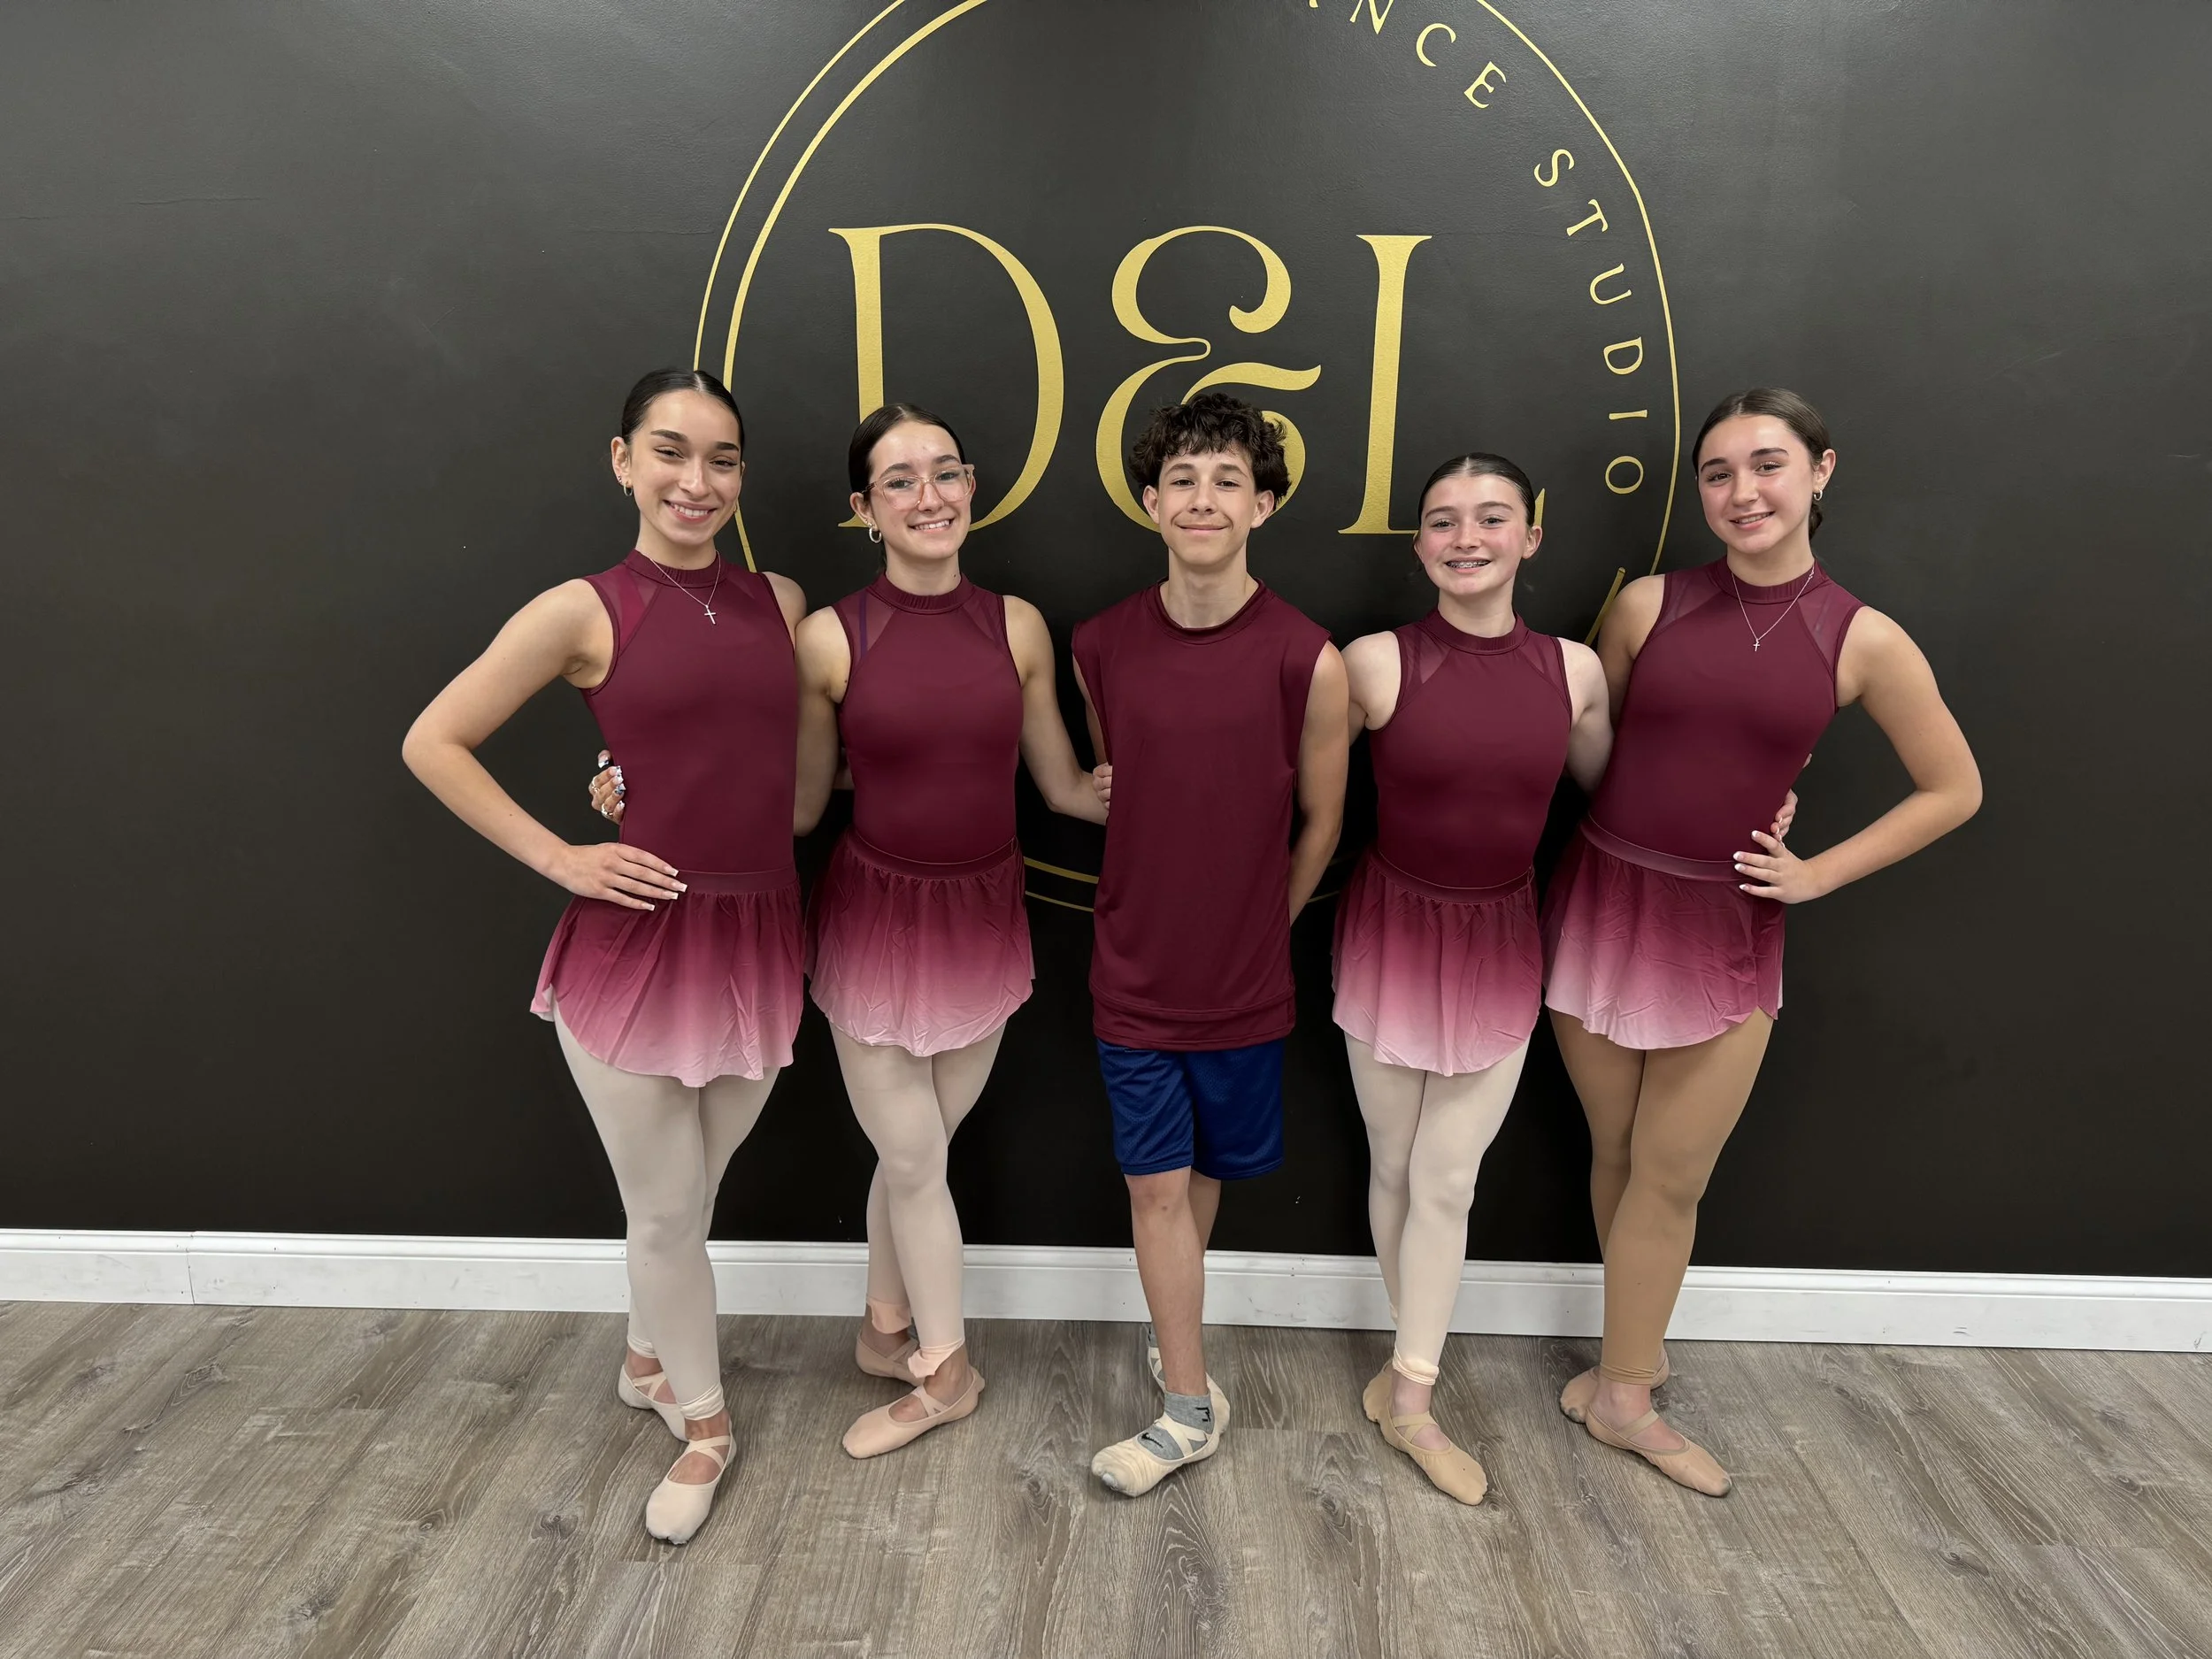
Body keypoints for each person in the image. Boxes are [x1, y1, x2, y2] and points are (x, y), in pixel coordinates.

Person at [595, 403, 1107, 1457]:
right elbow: (788, 799)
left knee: (918, 1152)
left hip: (983, 919)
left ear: (972, 487)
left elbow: (1062, 787)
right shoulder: (826, 634)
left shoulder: (1015, 625)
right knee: (915, 1160)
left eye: (946, 473)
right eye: (901, 481)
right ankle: (947, 1372)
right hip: (872, 922)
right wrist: (629, 791)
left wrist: (1203, 790)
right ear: (863, 510)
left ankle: (884, 1330)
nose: (931, 496)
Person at [1546, 388, 1982, 1495]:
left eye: (1768, 465)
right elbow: (1605, 756)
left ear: (1821, 472)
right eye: (1719, 473)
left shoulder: (1863, 638)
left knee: (1670, 1174)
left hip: (1722, 926)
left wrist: (1814, 871)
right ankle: (1620, 1365)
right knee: (1613, 1154)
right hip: (1600, 904)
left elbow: (1953, 788)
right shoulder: (1646, 607)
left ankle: (1627, 1400)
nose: (1742, 492)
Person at [403, 368, 806, 1544]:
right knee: (671, 1209)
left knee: (689, 1193)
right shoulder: (581, 608)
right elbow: (434, 739)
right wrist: (562, 853)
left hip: (760, 930)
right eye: (671, 451)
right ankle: (706, 1425)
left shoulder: (780, 595)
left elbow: (764, 747)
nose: (698, 479)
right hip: (637, 942)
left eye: (722, 456)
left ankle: (644, 1354)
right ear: (622, 460)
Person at [1071, 391, 1350, 1496]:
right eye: (1181, 480)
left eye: (1226, 480)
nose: (1201, 498)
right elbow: (1123, 786)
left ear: (1263, 504)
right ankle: (1188, 1407)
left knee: (1197, 1188)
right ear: (1150, 501)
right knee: (1152, 1190)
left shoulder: (1306, 658)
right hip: (1132, 975)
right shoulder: (1098, 645)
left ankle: (1170, 1329)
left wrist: (1259, 926)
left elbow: (1321, 821)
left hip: (1244, 987)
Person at [1332, 453, 1612, 1505]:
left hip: (1500, 939)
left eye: (1491, 518)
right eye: (1443, 521)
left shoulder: (1574, 672)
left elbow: (1620, 798)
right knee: (1395, 1166)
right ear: (1419, 546)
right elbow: (1289, 779)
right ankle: (1409, 1386)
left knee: (1449, 1179)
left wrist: (1763, 809)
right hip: (1389, 933)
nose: (1466, 537)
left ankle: (1408, 1395)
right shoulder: (1371, 662)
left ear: (1530, 537)